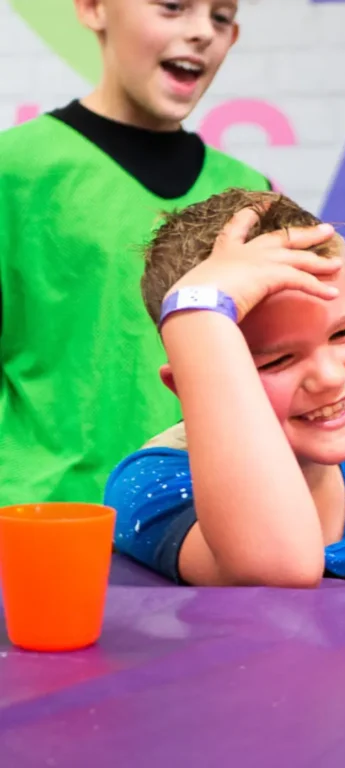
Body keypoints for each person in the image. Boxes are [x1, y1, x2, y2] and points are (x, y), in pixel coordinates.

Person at [104, 189, 345, 588]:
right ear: (189, 385)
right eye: (276, 361)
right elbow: (276, 570)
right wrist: (197, 314)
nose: (328, 377)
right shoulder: (152, 482)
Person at [0, 0, 271, 506]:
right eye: (172, 6)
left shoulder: (251, 192)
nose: (201, 33)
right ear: (93, 9)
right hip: (42, 517)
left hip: (206, 520)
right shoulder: (13, 171)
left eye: (220, 16)